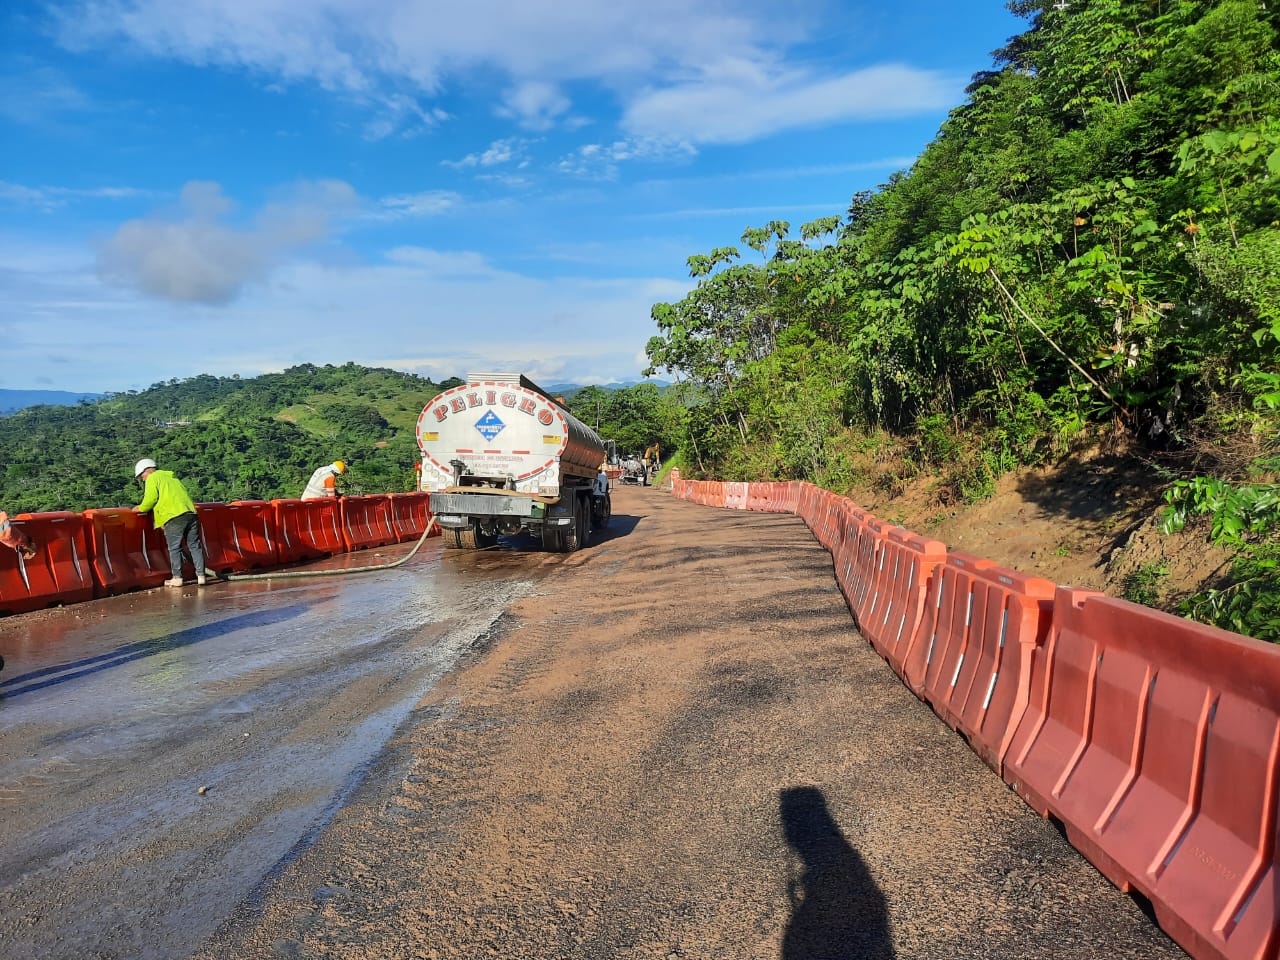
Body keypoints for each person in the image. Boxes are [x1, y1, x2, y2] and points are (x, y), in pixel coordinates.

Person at [133, 458, 208, 587]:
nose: (142, 479)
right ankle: (201, 576)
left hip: (173, 516)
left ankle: (177, 578)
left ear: (148, 470)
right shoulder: (172, 477)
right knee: (195, 545)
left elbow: (150, 500)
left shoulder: (153, 478)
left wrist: (139, 508)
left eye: (142, 475)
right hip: (190, 513)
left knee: (174, 548)